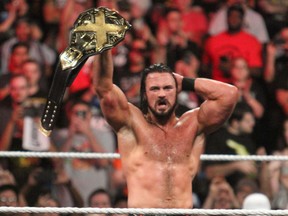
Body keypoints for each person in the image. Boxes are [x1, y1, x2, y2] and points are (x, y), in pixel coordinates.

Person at [93, 48, 238, 208]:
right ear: (144, 95)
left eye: (168, 88)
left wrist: (185, 82)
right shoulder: (131, 123)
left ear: (177, 92)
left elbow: (229, 94)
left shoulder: (193, 125)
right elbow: (104, 88)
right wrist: (104, 48)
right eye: (155, 89)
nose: (162, 94)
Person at [202, 4, 263, 82]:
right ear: (226, 18)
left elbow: (257, 71)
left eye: (237, 17)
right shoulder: (213, 40)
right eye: (231, 16)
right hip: (216, 85)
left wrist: (234, 69)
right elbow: (204, 67)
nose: (234, 19)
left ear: (242, 19)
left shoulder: (252, 42)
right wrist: (217, 66)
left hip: (241, 87)